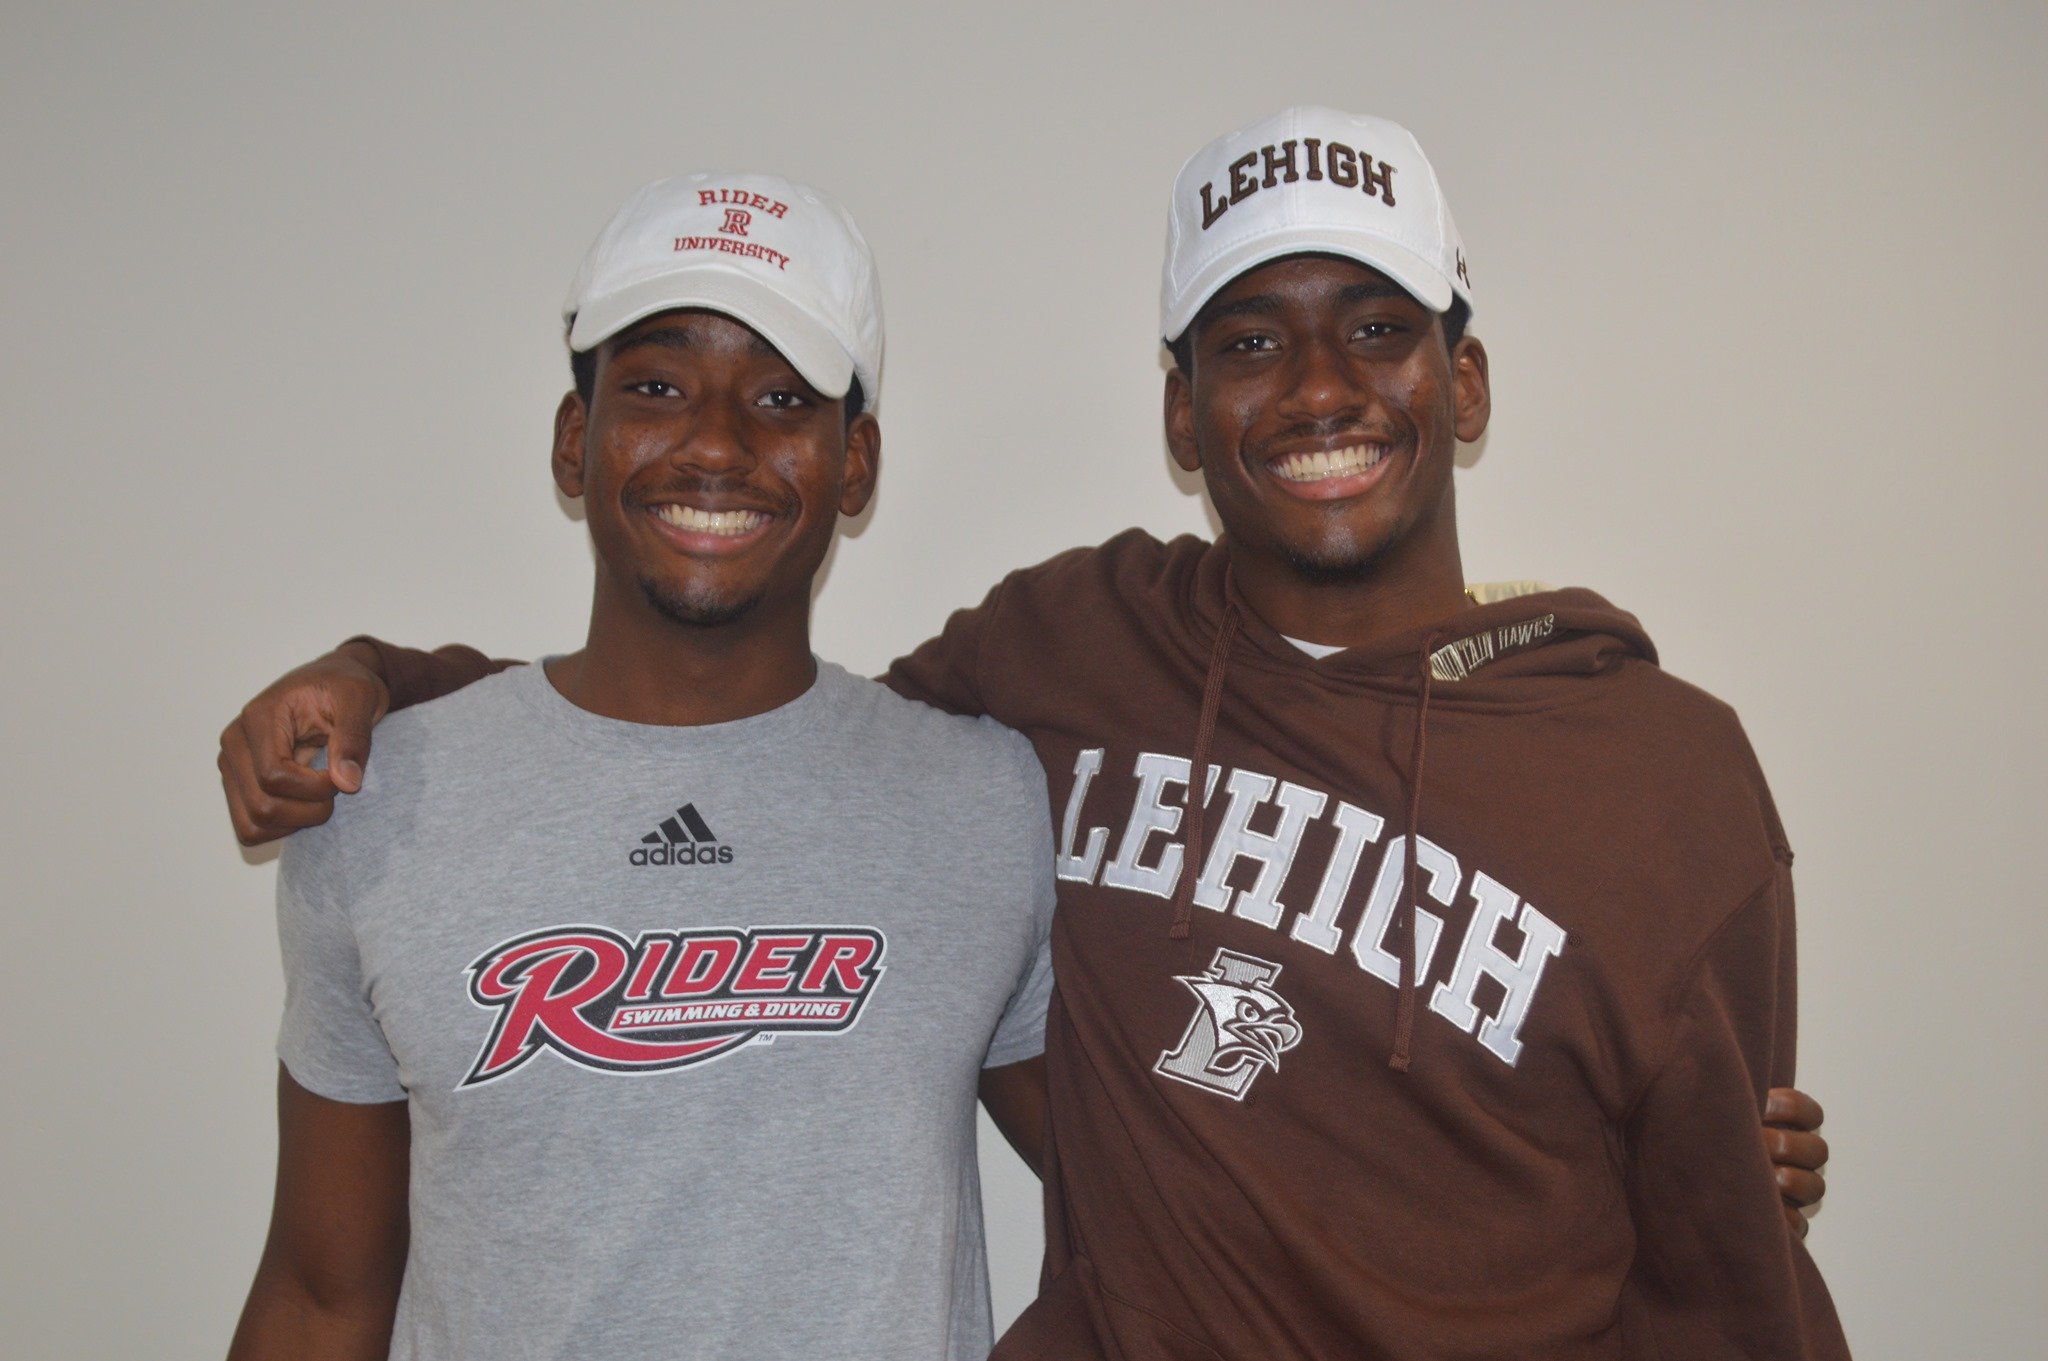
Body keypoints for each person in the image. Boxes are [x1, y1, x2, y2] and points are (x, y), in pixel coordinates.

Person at [220, 112, 1840, 1358]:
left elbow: (1698, 1259)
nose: (1316, 387)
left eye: (1375, 326)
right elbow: (710, 726)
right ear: (1178, 406)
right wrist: (392, 683)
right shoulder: (1071, 654)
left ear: (1460, 377)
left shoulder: (1652, 770)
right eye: (1249, 341)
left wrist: (1667, 1135)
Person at [225, 171, 1059, 1361]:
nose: (715, 442)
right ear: (576, 441)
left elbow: (1137, 1201)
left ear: (854, 463)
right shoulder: (376, 800)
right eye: (657, 387)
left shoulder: (987, 802)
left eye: (780, 395)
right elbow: (320, 1291)